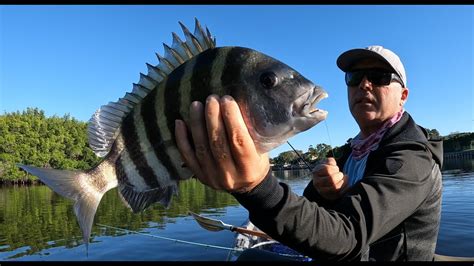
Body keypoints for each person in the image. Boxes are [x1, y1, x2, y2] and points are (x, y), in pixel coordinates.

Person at [174, 45, 443, 261]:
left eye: (379, 77)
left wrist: (257, 187)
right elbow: (316, 216)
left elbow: (347, 236)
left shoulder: (412, 158)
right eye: (354, 77)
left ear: (404, 95)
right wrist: (321, 191)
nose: (364, 85)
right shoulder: (351, 151)